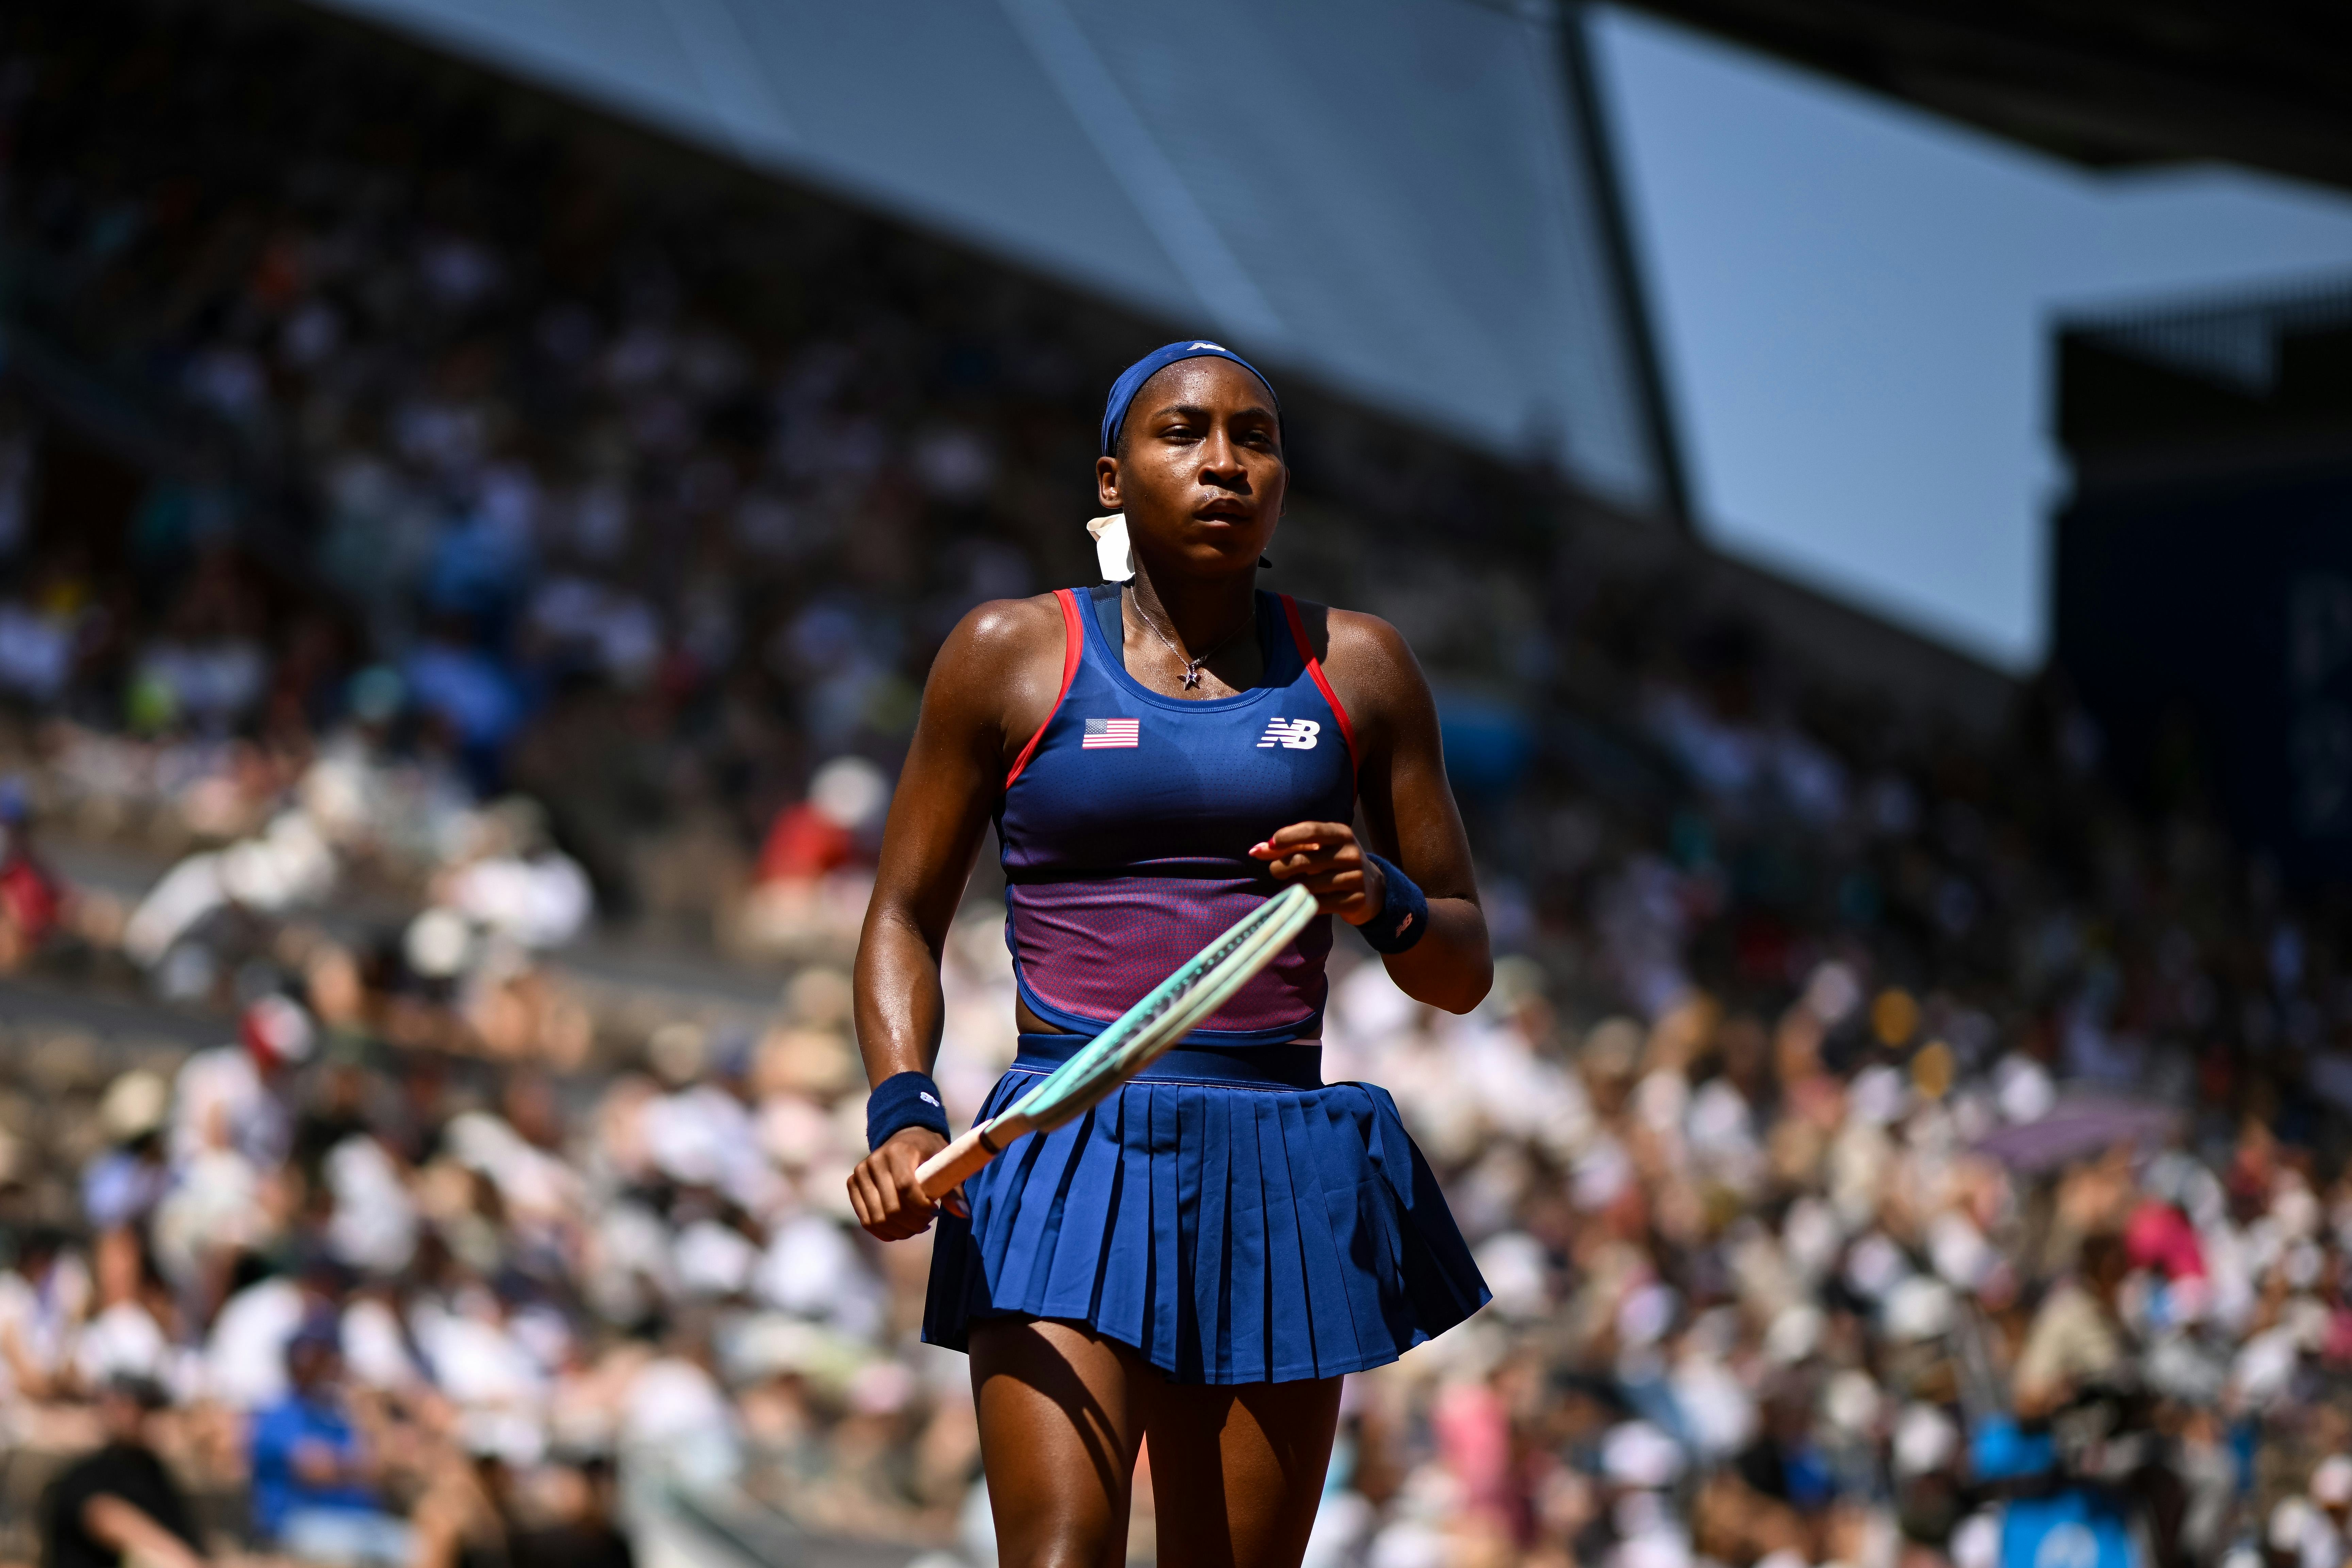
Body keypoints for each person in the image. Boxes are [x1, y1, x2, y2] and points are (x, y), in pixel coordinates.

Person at [847, 341, 1493, 1566]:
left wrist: (1382, 897)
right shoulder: (1007, 652)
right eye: (1184, 433)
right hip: (1062, 1138)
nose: (1225, 463)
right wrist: (902, 1109)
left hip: (1279, 1163)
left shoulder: (1361, 666)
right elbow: (902, 917)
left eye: (1256, 439)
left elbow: (1460, 971)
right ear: (1111, 478)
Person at [247, 1320, 411, 1566]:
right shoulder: (276, 1416)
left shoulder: (339, 1414)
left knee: (421, 1542)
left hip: (357, 1521)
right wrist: (358, 1467)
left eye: (326, 1356)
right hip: (298, 1524)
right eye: (312, 1356)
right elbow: (318, 1469)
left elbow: (382, 1467)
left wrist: (365, 1405)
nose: (320, 1365)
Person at [39, 1374, 205, 1568]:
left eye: (151, 1408)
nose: (147, 1418)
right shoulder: (89, 1472)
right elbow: (107, 1518)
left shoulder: (156, 1473)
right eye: (140, 1407)